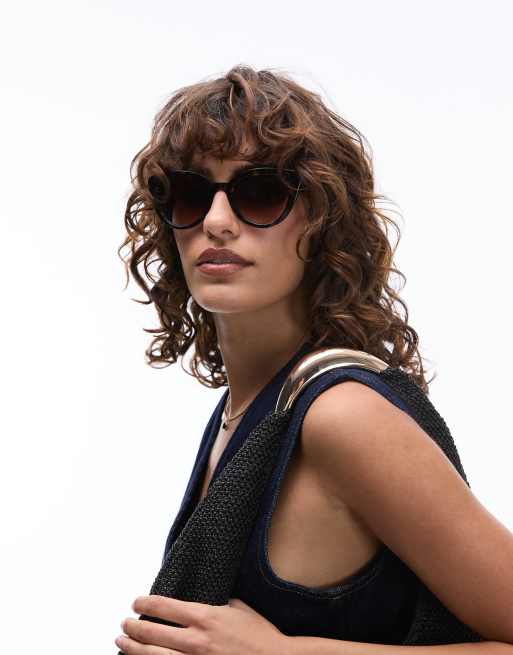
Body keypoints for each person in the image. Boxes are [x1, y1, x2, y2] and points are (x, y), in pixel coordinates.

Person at [115, 65, 513, 654]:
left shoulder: (343, 417)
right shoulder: (250, 411)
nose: (217, 222)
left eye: (261, 194)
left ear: (324, 221)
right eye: (191, 194)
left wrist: (282, 652)